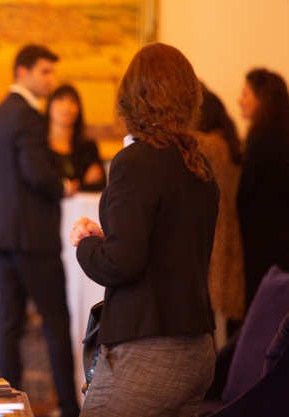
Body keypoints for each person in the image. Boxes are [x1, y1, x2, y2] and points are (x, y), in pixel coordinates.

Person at [70, 43, 218, 416]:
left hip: (150, 350)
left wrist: (86, 245)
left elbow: (120, 265)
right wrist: (108, 237)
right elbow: (167, 247)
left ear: (131, 97)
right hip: (197, 348)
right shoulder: (197, 164)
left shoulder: (134, 162)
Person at [0, 45, 80, 417]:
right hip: (32, 237)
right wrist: (63, 186)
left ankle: (8, 406)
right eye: (44, 72)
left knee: (10, 322)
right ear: (22, 73)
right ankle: (69, 408)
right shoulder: (30, 117)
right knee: (57, 322)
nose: (50, 80)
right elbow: (36, 173)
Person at [195, 85, 246, 346]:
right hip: (228, 228)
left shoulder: (207, 144)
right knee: (215, 313)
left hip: (211, 229)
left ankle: (211, 369)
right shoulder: (230, 143)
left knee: (206, 312)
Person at [236, 68, 289, 310]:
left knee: (261, 310)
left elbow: (244, 195)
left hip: (261, 244)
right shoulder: (282, 136)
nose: (240, 100)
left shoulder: (260, 139)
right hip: (282, 241)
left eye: (246, 93)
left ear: (262, 99)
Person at [47, 84, 107, 192]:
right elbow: (43, 185)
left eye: (72, 102)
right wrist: (83, 182)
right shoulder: (40, 147)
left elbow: (100, 183)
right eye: (60, 100)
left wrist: (76, 186)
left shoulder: (88, 147)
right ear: (49, 106)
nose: (66, 107)